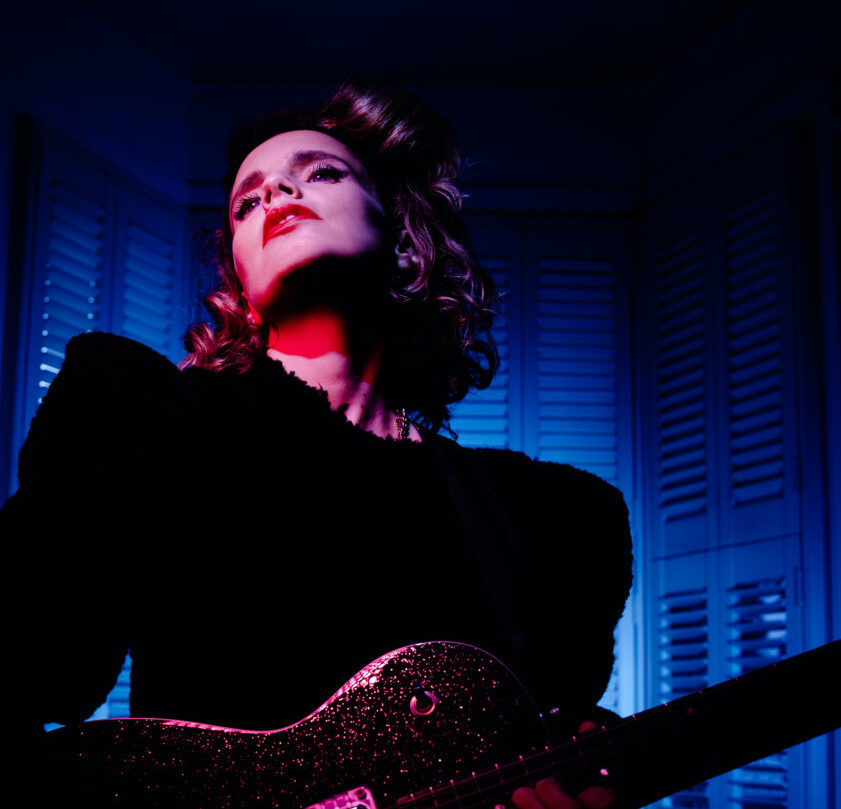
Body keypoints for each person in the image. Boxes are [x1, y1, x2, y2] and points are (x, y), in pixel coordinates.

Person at [3, 79, 632, 809]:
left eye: (322, 173)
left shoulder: (550, 515)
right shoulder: (142, 413)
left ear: (403, 239)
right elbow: (29, 671)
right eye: (246, 202)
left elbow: (536, 750)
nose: (275, 194)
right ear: (240, 282)